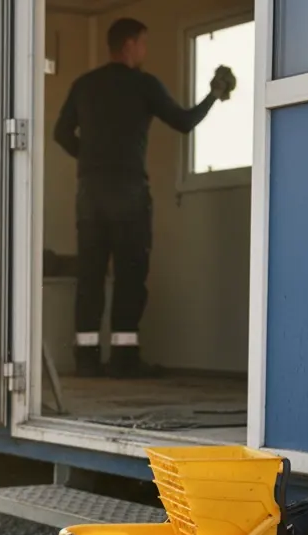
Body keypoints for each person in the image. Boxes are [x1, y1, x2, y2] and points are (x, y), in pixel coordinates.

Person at [54, 18, 231, 378]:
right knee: (130, 275)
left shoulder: (85, 85)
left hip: (90, 196)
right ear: (131, 45)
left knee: (90, 276)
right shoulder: (143, 85)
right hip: (129, 196)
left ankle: (86, 360)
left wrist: (90, 159)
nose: (145, 51)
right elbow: (183, 121)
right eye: (144, 44)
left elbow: (60, 133)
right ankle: (124, 359)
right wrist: (214, 93)